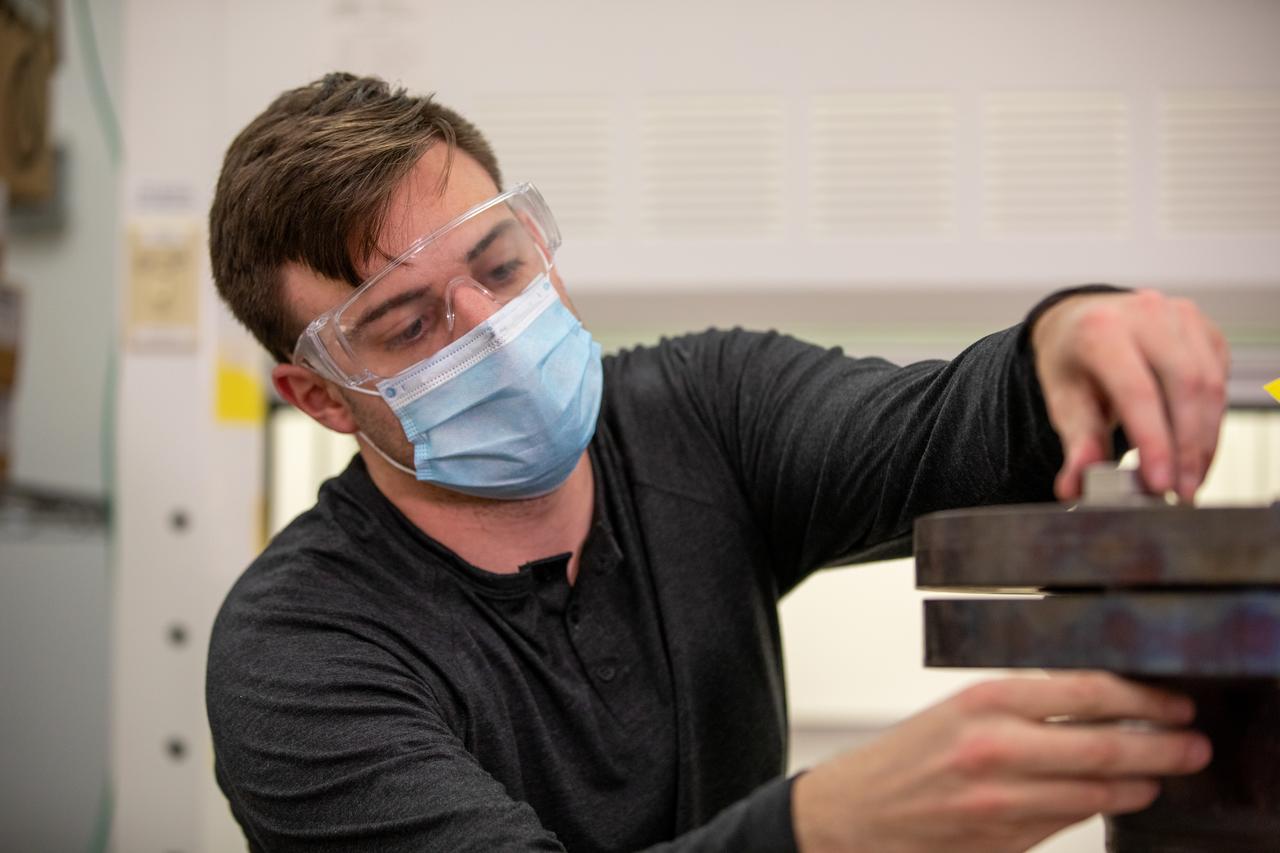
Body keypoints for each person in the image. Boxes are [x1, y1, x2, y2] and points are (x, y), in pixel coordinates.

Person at [206, 73, 1228, 853]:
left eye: (500, 265)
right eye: (406, 320)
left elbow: (943, 434)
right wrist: (819, 826)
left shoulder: (702, 409)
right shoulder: (295, 652)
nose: (494, 329)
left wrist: (1064, 341)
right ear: (323, 397)